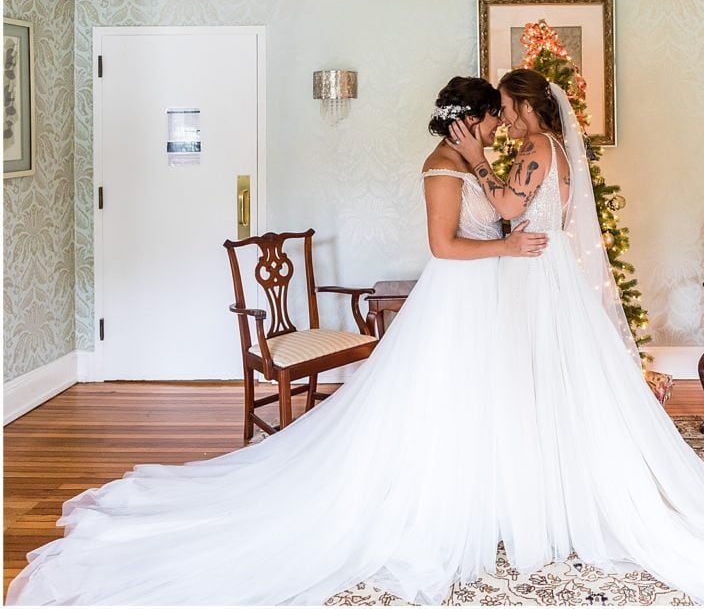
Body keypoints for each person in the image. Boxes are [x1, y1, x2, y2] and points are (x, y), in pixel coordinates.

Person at [6, 77, 547, 605]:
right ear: (472, 120)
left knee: (469, 396)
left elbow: (496, 216)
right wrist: (508, 250)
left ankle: (477, 492)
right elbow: (444, 247)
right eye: (495, 117)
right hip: (457, 294)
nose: (501, 127)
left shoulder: (468, 164)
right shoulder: (440, 170)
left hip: (478, 298)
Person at [446, 68, 704, 605]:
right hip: (544, 267)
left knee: (537, 375)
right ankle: (549, 488)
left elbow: (511, 208)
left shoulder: (539, 145)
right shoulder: (556, 145)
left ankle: (547, 495)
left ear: (523, 106)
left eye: (505, 108)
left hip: (537, 271)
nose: (504, 122)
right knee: (547, 378)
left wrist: (474, 161)